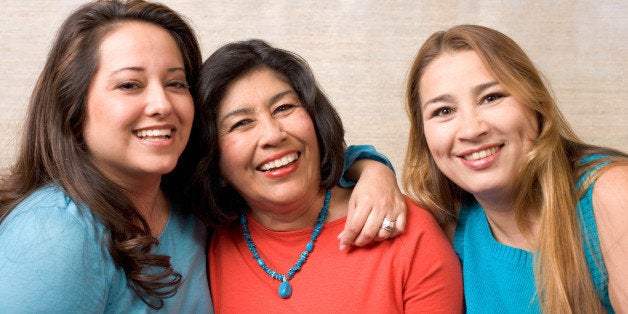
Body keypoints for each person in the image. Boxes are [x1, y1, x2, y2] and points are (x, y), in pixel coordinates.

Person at [0, 1, 406, 312]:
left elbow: (286, 162)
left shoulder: (190, 200)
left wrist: (369, 167)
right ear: (73, 112)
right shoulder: (52, 234)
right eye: (129, 85)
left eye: (176, 83)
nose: (161, 104)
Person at [194, 39, 463, 312]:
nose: (273, 135)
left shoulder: (404, 231)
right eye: (241, 123)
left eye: (284, 107)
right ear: (212, 159)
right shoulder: (201, 241)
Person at [403, 24, 628, 313]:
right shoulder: (450, 226)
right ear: (424, 136)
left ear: (535, 103)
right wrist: (369, 168)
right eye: (443, 111)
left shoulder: (613, 196)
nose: (471, 130)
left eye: (491, 97)